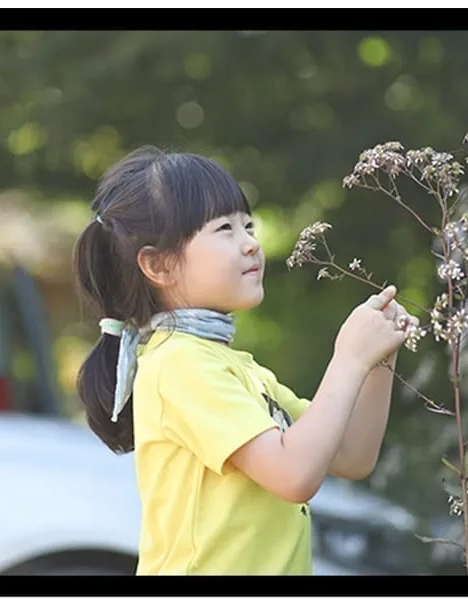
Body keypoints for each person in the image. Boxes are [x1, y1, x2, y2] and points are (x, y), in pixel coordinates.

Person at [72, 146, 417, 575]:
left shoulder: (237, 367)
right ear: (158, 265)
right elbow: (294, 475)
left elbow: (351, 455)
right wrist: (348, 359)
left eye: (248, 225)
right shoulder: (179, 365)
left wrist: (377, 358)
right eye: (224, 229)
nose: (251, 243)